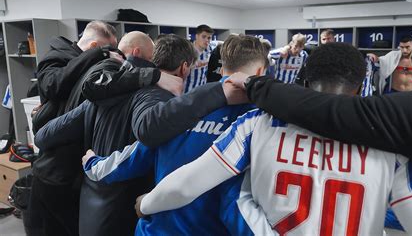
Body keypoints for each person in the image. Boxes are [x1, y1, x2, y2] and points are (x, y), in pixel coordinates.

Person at [124, 43, 412, 235]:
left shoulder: (259, 122)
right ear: (359, 86)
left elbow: (186, 185)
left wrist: (146, 203)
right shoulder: (391, 143)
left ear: (303, 79)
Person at [226, 24, 412, 234]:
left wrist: (254, 86)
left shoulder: (256, 124)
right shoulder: (393, 150)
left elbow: (208, 191)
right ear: (359, 88)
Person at [35, 34, 247, 236]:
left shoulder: (106, 92)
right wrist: (217, 93)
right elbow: (151, 138)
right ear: (184, 69)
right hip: (124, 214)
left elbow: (44, 136)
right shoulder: (166, 106)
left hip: (89, 208)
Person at [81, 35, 275, 235]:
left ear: (222, 67)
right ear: (261, 71)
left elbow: (130, 159)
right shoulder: (267, 119)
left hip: (156, 229)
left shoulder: (187, 105)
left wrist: (93, 163)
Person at [29, 20, 118, 236]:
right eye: (109, 49)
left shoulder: (88, 64)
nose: (112, 54)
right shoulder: (57, 56)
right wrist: (98, 55)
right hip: (52, 165)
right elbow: (52, 85)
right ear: (95, 47)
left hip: (70, 164)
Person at [184, 24, 219, 92]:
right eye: (203, 37)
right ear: (197, 36)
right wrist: (201, 63)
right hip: (187, 91)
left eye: (209, 38)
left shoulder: (209, 50)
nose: (207, 40)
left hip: (200, 91)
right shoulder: (187, 50)